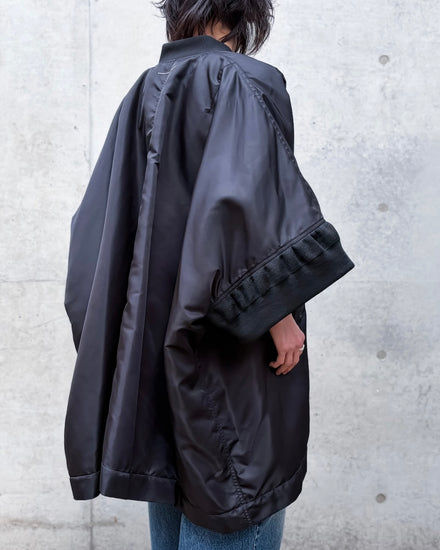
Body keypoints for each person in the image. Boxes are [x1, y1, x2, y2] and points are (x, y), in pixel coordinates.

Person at [63, 0, 355, 548]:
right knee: (238, 485)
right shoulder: (244, 79)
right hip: (228, 339)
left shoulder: (144, 90)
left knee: (175, 473)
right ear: (246, 14)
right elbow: (245, 206)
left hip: (154, 336)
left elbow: (95, 229)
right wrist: (278, 315)